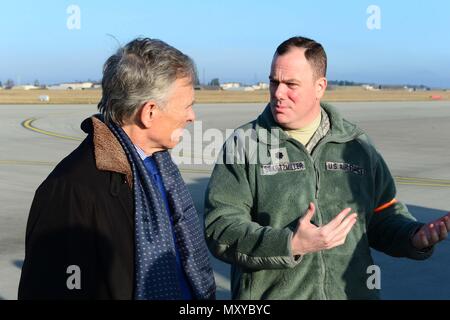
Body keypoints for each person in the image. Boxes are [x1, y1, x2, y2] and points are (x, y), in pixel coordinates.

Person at [204, 36, 450, 300]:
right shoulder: (246, 143)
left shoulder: (356, 145)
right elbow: (221, 227)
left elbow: (382, 216)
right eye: (274, 82)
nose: (278, 93)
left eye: (291, 84)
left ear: (319, 87)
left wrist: (413, 236)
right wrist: (290, 245)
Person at [19, 38, 216, 300]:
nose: (192, 116)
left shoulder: (158, 166)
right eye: (187, 106)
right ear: (149, 113)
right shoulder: (71, 191)